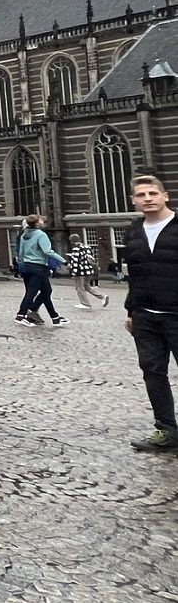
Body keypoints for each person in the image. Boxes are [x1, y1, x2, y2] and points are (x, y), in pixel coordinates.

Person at [121, 176, 178, 451]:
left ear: (165, 195)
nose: (147, 198)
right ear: (133, 200)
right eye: (141, 194)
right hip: (145, 316)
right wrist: (131, 310)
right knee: (153, 372)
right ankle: (166, 430)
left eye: (153, 193)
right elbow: (134, 275)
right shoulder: (132, 231)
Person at [13, 214, 67, 327]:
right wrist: (63, 261)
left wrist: (22, 265)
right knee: (32, 293)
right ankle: (21, 315)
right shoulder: (41, 235)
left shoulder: (24, 235)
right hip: (38, 266)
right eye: (41, 220)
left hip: (27, 266)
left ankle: (55, 318)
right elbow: (48, 251)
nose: (43, 221)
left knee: (46, 291)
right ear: (37, 223)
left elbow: (21, 252)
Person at [65, 233, 110, 309]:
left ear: (72, 241)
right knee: (87, 286)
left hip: (80, 271)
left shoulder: (76, 249)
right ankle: (102, 296)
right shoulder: (87, 247)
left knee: (80, 287)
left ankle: (85, 303)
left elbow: (76, 262)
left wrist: (73, 272)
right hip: (89, 270)